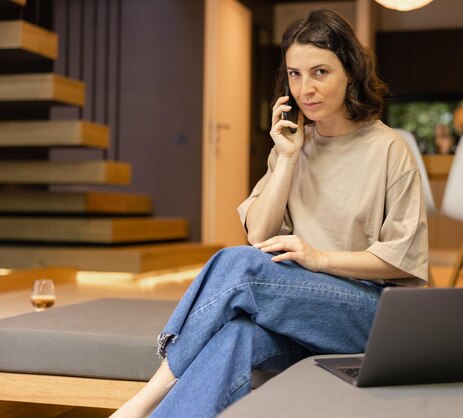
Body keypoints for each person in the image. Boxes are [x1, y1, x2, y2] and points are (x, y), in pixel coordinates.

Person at [111, 8, 428, 418]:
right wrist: (288, 158)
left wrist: (318, 257)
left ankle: (143, 401)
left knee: (240, 266)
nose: (305, 89)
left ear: (349, 72)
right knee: (237, 336)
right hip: (302, 309)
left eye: (319, 72)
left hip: (371, 316)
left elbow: (401, 260)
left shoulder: (389, 148)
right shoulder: (294, 144)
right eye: (295, 75)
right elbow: (259, 235)